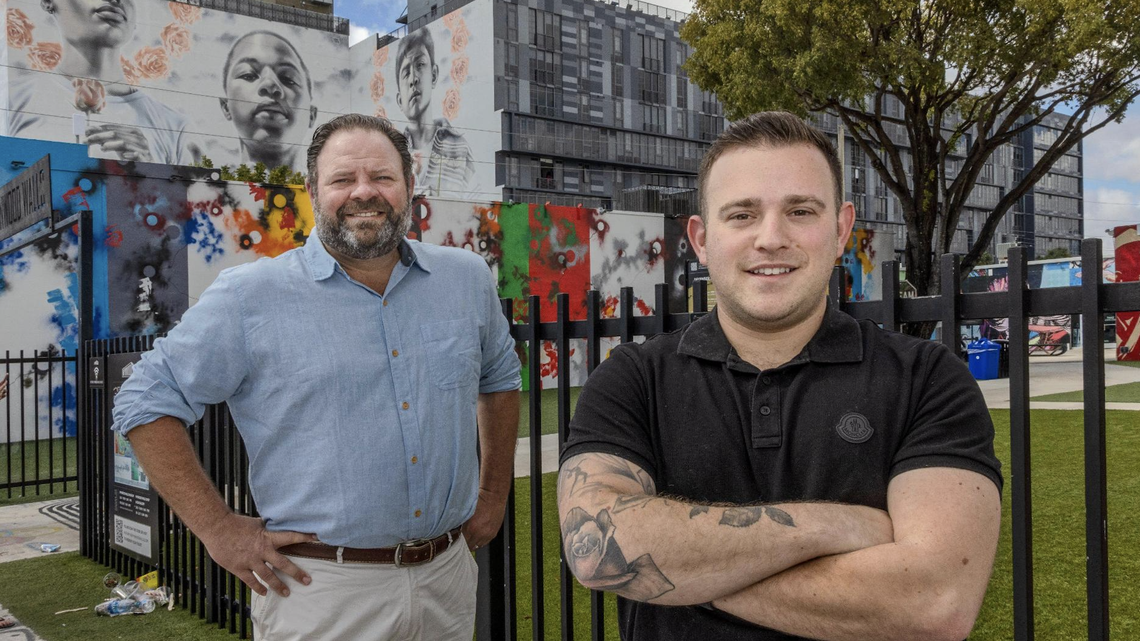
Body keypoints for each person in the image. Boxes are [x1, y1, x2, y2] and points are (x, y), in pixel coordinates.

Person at [557, 112, 1002, 640]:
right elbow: (597, 550)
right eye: (741, 215)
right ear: (701, 239)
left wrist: (676, 567)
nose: (771, 238)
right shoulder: (632, 379)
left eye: (800, 211)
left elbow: (934, 603)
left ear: (840, 229)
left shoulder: (928, 380)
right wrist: (842, 525)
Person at [112, 114, 520, 640]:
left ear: (410, 186)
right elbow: (144, 401)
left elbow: (499, 377)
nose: (364, 193)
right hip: (320, 588)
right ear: (312, 190)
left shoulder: (464, 279)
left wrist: (492, 496)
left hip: (447, 575)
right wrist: (218, 530)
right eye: (343, 179)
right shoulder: (249, 295)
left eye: (383, 177)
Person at [8, 0, 192, 165]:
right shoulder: (13, 99)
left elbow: (194, 200)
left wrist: (150, 174)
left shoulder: (175, 127)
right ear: (48, 2)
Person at [220, 31, 319, 173]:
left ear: (311, 115)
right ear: (226, 106)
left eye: (288, 79)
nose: (270, 84)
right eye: (248, 75)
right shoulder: (206, 191)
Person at [394, 28, 476, 196]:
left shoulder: (459, 145)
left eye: (420, 65)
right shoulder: (393, 152)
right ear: (400, 101)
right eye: (406, 72)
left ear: (433, 75)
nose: (413, 79)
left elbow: (477, 200)